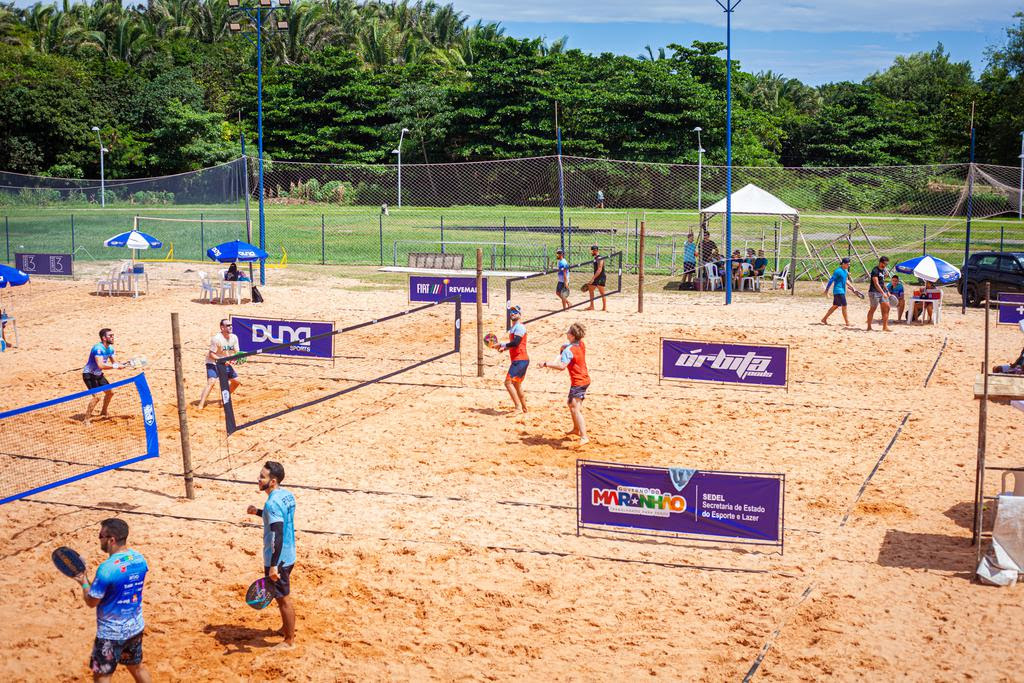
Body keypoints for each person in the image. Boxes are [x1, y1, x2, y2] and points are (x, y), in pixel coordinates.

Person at [65, 518, 151, 683]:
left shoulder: (106, 569)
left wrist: (83, 581)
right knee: (137, 668)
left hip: (110, 635)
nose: (99, 539)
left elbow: (92, 601)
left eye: (101, 536)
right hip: (135, 627)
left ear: (112, 540)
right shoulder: (140, 559)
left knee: (102, 676)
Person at [247, 461, 297, 648]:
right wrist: (258, 512)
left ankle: (289, 641)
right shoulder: (287, 496)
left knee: (283, 599)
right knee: (280, 595)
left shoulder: (272, 503)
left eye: (262, 477)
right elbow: (277, 518)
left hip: (278, 558)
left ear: (273, 481)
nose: (258, 479)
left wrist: (274, 565)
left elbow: (277, 533)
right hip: (289, 553)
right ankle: (285, 629)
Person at [540, 322, 590, 447]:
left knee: (575, 408)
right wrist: (564, 347)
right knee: (570, 404)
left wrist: (546, 364)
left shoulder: (568, 350)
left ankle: (584, 436)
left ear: (572, 336)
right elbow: (570, 346)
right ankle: (576, 429)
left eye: (568, 332)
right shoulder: (581, 344)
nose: (566, 333)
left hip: (579, 381)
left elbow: (562, 366)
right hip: (583, 379)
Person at [83, 328, 125, 426]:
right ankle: (86, 419)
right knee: (97, 397)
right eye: (110, 336)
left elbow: (115, 363)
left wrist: (122, 365)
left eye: (113, 335)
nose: (113, 337)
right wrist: (116, 366)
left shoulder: (110, 349)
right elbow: (101, 365)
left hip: (98, 375)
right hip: (89, 375)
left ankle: (103, 412)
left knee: (110, 393)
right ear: (104, 338)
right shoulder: (98, 349)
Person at [198, 319, 241, 409]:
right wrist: (222, 360)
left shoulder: (234, 337)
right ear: (222, 328)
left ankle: (223, 399)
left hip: (225, 362)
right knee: (211, 381)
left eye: (231, 325)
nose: (230, 327)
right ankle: (200, 405)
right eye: (228, 325)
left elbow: (237, 352)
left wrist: (235, 359)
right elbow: (211, 354)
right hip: (213, 362)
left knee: (236, 382)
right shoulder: (216, 338)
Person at [498, 304, 529, 413]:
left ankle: (518, 407)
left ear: (520, 314)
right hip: (520, 359)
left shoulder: (519, 327)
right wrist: (504, 348)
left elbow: (516, 343)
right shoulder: (514, 328)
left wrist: (502, 344)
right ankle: (524, 407)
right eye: (511, 312)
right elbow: (515, 344)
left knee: (508, 383)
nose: (512, 314)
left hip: (520, 359)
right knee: (516, 384)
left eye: (515, 312)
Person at [822, 257, 862, 326]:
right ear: (843, 264)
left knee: (835, 306)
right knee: (844, 305)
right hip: (838, 291)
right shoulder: (838, 271)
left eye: (849, 264)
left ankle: (824, 319)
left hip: (842, 291)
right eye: (847, 264)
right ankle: (847, 322)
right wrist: (826, 290)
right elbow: (831, 280)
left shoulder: (845, 271)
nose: (848, 265)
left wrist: (853, 288)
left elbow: (846, 280)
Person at [866, 256, 891, 331]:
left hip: (882, 292)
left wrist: (887, 291)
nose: (885, 265)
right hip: (874, 292)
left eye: (887, 264)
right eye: (885, 264)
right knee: (873, 309)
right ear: (881, 262)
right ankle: (869, 327)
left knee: (887, 307)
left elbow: (882, 283)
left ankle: (885, 327)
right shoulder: (875, 270)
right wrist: (883, 293)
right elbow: (876, 284)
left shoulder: (882, 271)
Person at [585, 245, 607, 311]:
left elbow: (599, 269)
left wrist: (593, 278)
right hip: (596, 277)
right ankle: (591, 306)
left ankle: (604, 307)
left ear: (595, 251)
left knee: (602, 293)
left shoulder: (600, 258)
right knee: (590, 288)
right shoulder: (596, 258)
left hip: (601, 277)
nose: (591, 252)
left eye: (592, 251)